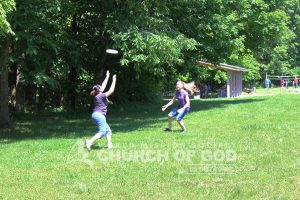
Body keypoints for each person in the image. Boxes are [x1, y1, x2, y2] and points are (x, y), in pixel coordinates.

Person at [86, 71, 117, 151]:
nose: (102, 87)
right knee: (103, 131)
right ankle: (89, 141)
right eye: (100, 87)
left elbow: (103, 86)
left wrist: (107, 77)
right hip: (99, 115)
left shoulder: (98, 95)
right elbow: (111, 91)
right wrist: (113, 80)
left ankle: (110, 145)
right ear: (99, 90)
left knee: (108, 130)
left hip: (95, 115)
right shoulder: (101, 95)